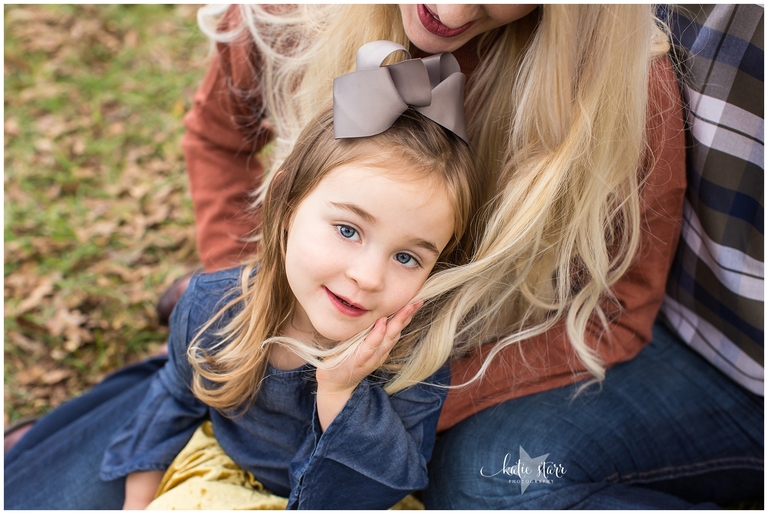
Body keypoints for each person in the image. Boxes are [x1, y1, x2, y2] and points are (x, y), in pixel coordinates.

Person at [6, 4, 762, 509]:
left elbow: (618, 312)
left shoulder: (623, 85)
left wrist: (396, 387)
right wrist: (269, 292)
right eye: (347, 230)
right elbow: (217, 138)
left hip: (414, 368)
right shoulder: (290, 14)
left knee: (487, 477)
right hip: (261, 362)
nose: (457, 8)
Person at [6, 43, 485, 510]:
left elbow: (378, 489)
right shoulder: (214, 307)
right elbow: (172, 398)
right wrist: (137, 501)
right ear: (286, 208)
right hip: (219, 479)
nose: (367, 276)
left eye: (407, 258)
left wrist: (340, 392)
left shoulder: (413, 360)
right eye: (347, 229)